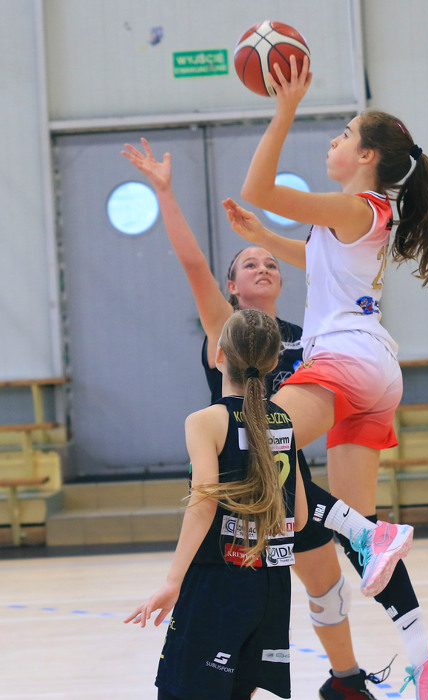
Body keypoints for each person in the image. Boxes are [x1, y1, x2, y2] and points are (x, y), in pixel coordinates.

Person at [121, 138, 410, 699]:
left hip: (289, 484)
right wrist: (164, 193)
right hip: (239, 486)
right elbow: (193, 263)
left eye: (271, 262)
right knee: (236, 614)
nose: (263, 266)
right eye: (249, 263)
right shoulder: (225, 327)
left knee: (324, 587)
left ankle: (346, 680)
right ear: (232, 286)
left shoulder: (307, 340)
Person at [222, 55, 428, 700]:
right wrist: (264, 235)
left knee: (258, 437)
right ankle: (426, 654)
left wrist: (285, 108)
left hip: (347, 359)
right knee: (356, 533)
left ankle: (368, 534)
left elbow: (258, 185)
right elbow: (318, 260)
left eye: (343, 135)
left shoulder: (356, 206)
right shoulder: (364, 213)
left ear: (365, 157)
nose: (333, 141)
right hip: (374, 369)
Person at [125, 309, 308, 699]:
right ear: (274, 362)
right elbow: (301, 515)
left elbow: (204, 503)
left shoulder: (205, 421)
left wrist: (173, 581)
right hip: (271, 587)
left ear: (219, 354)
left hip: (218, 583)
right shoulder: (283, 420)